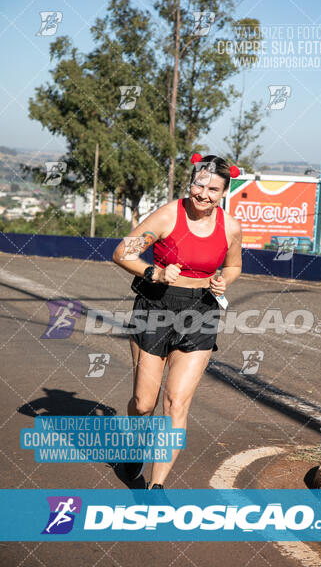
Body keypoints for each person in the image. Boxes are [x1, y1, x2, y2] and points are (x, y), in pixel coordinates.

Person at [113, 154, 242, 489]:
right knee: (144, 403)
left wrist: (223, 281)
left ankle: (156, 487)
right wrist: (154, 272)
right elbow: (123, 252)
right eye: (200, 185)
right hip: (155, 307)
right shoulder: (169, 215)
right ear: (191, 183)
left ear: (224, 192)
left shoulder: (230, 226)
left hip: (201, 311)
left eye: (214, 188)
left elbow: (233, 265)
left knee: (176, 403)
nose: (204, 193)